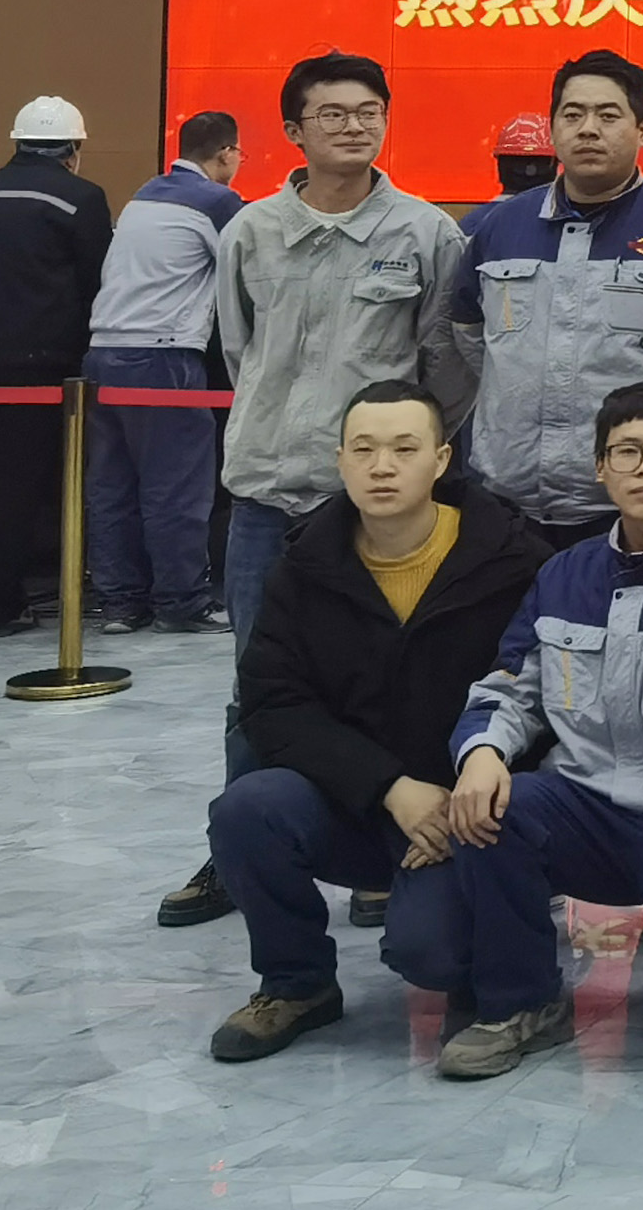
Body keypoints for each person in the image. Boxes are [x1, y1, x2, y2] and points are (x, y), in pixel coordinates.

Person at [387, 384, 643, 1080]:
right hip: (583, 810)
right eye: (627, 451)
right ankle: (521, 1001)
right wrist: (482, 752)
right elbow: (509, 688)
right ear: (602, 468)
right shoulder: (563, 574)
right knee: (498, 804)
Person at [170, 53, 469, 930]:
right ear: (293, 130)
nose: (353, 126)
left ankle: (378, 851)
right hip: (268, 495)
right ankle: (239, 852)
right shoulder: (250, 232)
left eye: (369, 110)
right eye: (332, 113)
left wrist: (403, 464)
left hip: (379, 506)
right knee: (256, 685)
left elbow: (444, 368)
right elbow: (240, 351)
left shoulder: (425, 233)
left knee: (385, 682)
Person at [202, 381, 545, 1062]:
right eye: (363, 450)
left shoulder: (513, 561)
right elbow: (274, 704)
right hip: (357, 803)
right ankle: (296, 983)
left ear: (442, 460)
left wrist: (459, 803)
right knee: (247, 810)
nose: (382, 467)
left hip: (470, 813)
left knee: (432, 955)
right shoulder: (304, 565)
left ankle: (489, 963)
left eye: (404, 449)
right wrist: (390, 788)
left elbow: (545, 702)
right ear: (340, 461)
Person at [457, 51, 643, 556]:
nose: (588, 129)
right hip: (508, 504)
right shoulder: (497, 229)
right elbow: (470, 337)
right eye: (572, 114)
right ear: (553, 128)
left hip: (635, 505)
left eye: (608, 115)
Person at [0, 95, 114, 638]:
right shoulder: (82, 198)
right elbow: (97, 284)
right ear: (73, 149)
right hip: (36, 363)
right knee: (17, 483)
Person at [84, 112, 245, 637]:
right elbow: (254, 269)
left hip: (102, 352)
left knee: (112, 487)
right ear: (225, 154)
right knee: (175, 487)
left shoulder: (143, 196)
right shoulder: (217, 202)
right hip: (163, 358)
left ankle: (120, 603)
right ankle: (180, 601)